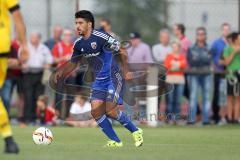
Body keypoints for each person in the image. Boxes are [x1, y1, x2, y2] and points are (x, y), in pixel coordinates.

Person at [55, 10, 143, 147]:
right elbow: (73, 62)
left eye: (80, 23)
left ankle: (136, 131)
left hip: (114, 76)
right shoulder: (78, 44)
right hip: (99, 80)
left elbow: (122, 50)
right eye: (76, 23)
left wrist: (126, 70)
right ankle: (116, 141)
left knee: (110, 110)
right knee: (96, 112)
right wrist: (61, 73)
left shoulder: (102, 37)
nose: (77, 26)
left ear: (89, 24)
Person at [0, 0, 29, 154]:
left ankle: (9, 138)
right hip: (2, 47)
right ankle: (9, 140)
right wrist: (24, 45)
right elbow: (17, 15)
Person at [21, 32, 53, 124]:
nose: (33, 39)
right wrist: (22, 63)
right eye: (31, 37)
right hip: (28, 74)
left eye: (35, 37)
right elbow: (20, 58)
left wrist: (47, 64)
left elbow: (49, 59)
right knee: (28, 96)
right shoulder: (25, 47)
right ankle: (27, 118)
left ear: (39, 39)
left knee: (39, 98)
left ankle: (38, 118)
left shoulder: (44, 48)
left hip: (40, 74)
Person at [187, 27, 212, 125]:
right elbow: (191, 61)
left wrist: (198, 59)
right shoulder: (191, 47)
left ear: (205, 35)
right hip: (194, 74)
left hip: (206, 74)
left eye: (202, 34)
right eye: (198, 34)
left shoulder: (209, 47)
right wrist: (200, 60)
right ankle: (191, 119)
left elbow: (208, 60)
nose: (200, 36)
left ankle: (206, 120)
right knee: (193, 97)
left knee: (206, 97)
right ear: (196, 36)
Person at [52, 28, 75, 118]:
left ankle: (67, 117)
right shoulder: (58, 46)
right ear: (62, 36)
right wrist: (63, 58)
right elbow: (53, 60)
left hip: (71, 75)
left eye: (69, 35)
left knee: (70, 97)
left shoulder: (74, 47)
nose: (67, 37)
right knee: (58, 96)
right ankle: (57, 117)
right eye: (66, 35)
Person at [211, 23, 231, 123]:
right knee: (217, 94)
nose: (226, 31)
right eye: (224, 29)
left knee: (230, 95)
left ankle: (228, 116)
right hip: (219, 72)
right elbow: (213, 56)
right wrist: (219, 62)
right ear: (221, 31)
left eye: (228, 29)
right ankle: (216, 116)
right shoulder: (216, 43)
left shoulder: (232, 43)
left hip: (231, 73)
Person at [164, 41, 187, 124]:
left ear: (179, 47)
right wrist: (178, 64)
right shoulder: (168, 56)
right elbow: (167, 66)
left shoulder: (182, 56)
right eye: (173, 46)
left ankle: (176, 119)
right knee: (170, 100)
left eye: (176, 46)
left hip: (180, 80)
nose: (174, 48)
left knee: (178, 101)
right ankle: (169, 118)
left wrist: (173, 64)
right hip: (170, 80)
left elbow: (184, 66)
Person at [152, 29, 172, 117]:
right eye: (163, 37)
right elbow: (157, 59)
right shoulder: (155, 47)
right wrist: (169, 60)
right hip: (159, 74)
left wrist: (167, 61)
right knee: (158, 96)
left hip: (170, 75)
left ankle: (169, 117)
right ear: (160, 38)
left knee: (169, 96)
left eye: (167, 37)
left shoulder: (172, 47)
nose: (165, 39)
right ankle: (156, 116)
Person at [223, 32, 240, 124]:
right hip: (231, 75)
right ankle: (229, 118)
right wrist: (234, 52)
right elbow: (226, 63)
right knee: (230, 97)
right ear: (235, 40)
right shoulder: (227, 49)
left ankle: (236, 118)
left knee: (238, 98)